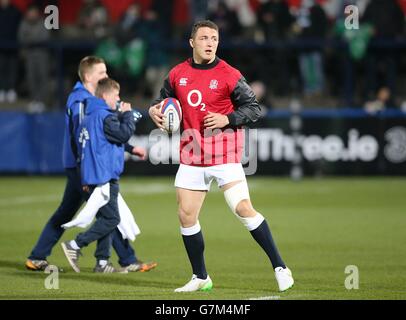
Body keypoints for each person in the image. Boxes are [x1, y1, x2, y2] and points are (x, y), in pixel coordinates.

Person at [148, 20, 294, 292]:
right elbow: (162, 102)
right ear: (192, 42)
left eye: (214, 38)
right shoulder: (177, 74)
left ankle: (280, 266)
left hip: (225, 154)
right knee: (186, 216)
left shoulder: (229, 74)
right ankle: (200, 277)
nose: (210, 43)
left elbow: (253, 109)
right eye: (203, 38)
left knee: (243, 209)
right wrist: (153, 111)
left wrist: (227, 118)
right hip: (192, 155)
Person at [26, 56, 157, 273]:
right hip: (85, 166)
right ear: (88, 76)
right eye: (101, 73)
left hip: (84, 165)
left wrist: (130, 148)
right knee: (109, 213)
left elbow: (103, 136)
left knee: (68, 212)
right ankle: (123, 260)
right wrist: (84, 171)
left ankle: (38, 255)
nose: (105, 76)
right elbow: (84, 138)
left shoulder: (93, 100)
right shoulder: (81, 101)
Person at [61, 77, 134, 272]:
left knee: (106, 218)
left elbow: (83, 149)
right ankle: (75, 245)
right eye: (116, 94)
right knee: (112, 219)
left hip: (93, 175)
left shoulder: (89, 117)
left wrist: (85, 178)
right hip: (104, 176)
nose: (118, 98)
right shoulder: (104, 116)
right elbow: (123, 134)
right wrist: (127, 115)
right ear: (106, 95)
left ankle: (102, 262)